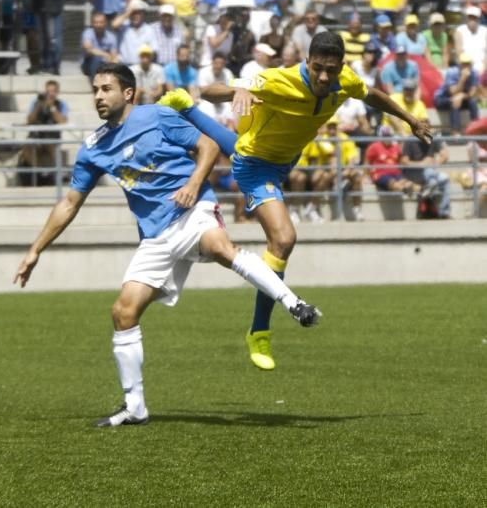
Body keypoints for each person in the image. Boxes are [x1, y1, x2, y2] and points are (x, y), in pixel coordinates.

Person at [14, 63, 320, 427]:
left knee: (222, 248)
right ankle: (135, 407)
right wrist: (36, 249)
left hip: (192, 210)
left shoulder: (157, 116)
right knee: (123, 313)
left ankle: (293, 303)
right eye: (95, 90)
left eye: (106, 89)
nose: (98, 96)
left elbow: (207, 146)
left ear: (127, 94)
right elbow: (69, 203)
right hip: (156, 236)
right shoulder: (93, 147)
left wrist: (193, 183)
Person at [161, 31, 432, 370]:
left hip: (283, 159)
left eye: (330, 70)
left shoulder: (344, 80)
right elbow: (210, 91)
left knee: (235, 144)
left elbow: (372, 94)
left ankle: (181, 106)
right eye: (317, 67)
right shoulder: (277, 80)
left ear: (341, 67)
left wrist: (410, 120)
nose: (322, 76)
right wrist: (239, 89)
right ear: (307, 61)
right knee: (284, 239)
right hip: (256, 167)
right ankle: (259, 331)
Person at [17, 80, 68, 187]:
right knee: (26, 148)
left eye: (53, 91)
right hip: (36, 137)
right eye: (48, 91)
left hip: (52, 138)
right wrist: (38, 107)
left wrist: (52, 107)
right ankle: (41, 172)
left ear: (57, 92)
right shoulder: (36, 103)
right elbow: (29, 120)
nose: (50, 94)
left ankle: (56, 173)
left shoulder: (61, 104)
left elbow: (62, 121)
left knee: (50, 144)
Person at [401, 135, 451, 219]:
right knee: (431, 178)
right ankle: (427, 196)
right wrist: (421, 164)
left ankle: (444, 213)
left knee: (445, 179)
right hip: (413, 172)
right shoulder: (410, 140)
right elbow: (404, 161)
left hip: (430, 172)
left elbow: (445, 156)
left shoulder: (432, 138)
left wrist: (435, 163)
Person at [366, 126, 421, 195]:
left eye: (389, 136)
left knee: (408, 183)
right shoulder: (374, 146)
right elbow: (367, 163)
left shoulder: (395, 146)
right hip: (381, 174)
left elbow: (402, 161)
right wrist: (368, 177)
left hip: (395, 173)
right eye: (385, 136)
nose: (388, 138)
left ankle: (423, 190)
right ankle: (406, 190)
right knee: (393, 183)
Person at [434, 53, 479, 133]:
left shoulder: (474, 73)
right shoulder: (451, 72)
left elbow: (473, 92)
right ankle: (455, 132)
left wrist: (462, 96)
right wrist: (462, 79)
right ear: (459, 64)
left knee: (473, 102)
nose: (466, 66)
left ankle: (476, 128)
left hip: (460, 99)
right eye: (464, 64)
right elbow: (452, 92)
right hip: (442, 99)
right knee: (454, 101)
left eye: (468, 64)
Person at [113, 0, 155, 66]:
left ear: (143, 14)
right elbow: (114, 24)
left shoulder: (149, 30)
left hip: (141, 67)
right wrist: (129, 11)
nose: (135, 16)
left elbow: (153, 50)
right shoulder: (124, 26)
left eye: (138, 13)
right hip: (124, 65)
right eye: (133, 13)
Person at [81, 11, 118, 80]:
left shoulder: (111, 36)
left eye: (101, 22)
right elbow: (88, 49)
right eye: (96, 22)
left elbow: (114, 55)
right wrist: (105, 55)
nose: (98, 25)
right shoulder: (88, 33)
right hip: (88, 64)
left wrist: (113, 63)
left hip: (105, 64)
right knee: (96, 59)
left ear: (105, 23)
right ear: (92, 24)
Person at [454, 6, 487, 74]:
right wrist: (468, 68)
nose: (472, 20)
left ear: (478, 18)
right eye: (470, 17)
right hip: (465, 66)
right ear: (466, 18)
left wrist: (484, 69)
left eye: (474, 18)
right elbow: (459, 52)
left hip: (482, 67)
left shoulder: (485, 31)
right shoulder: (460, 31)